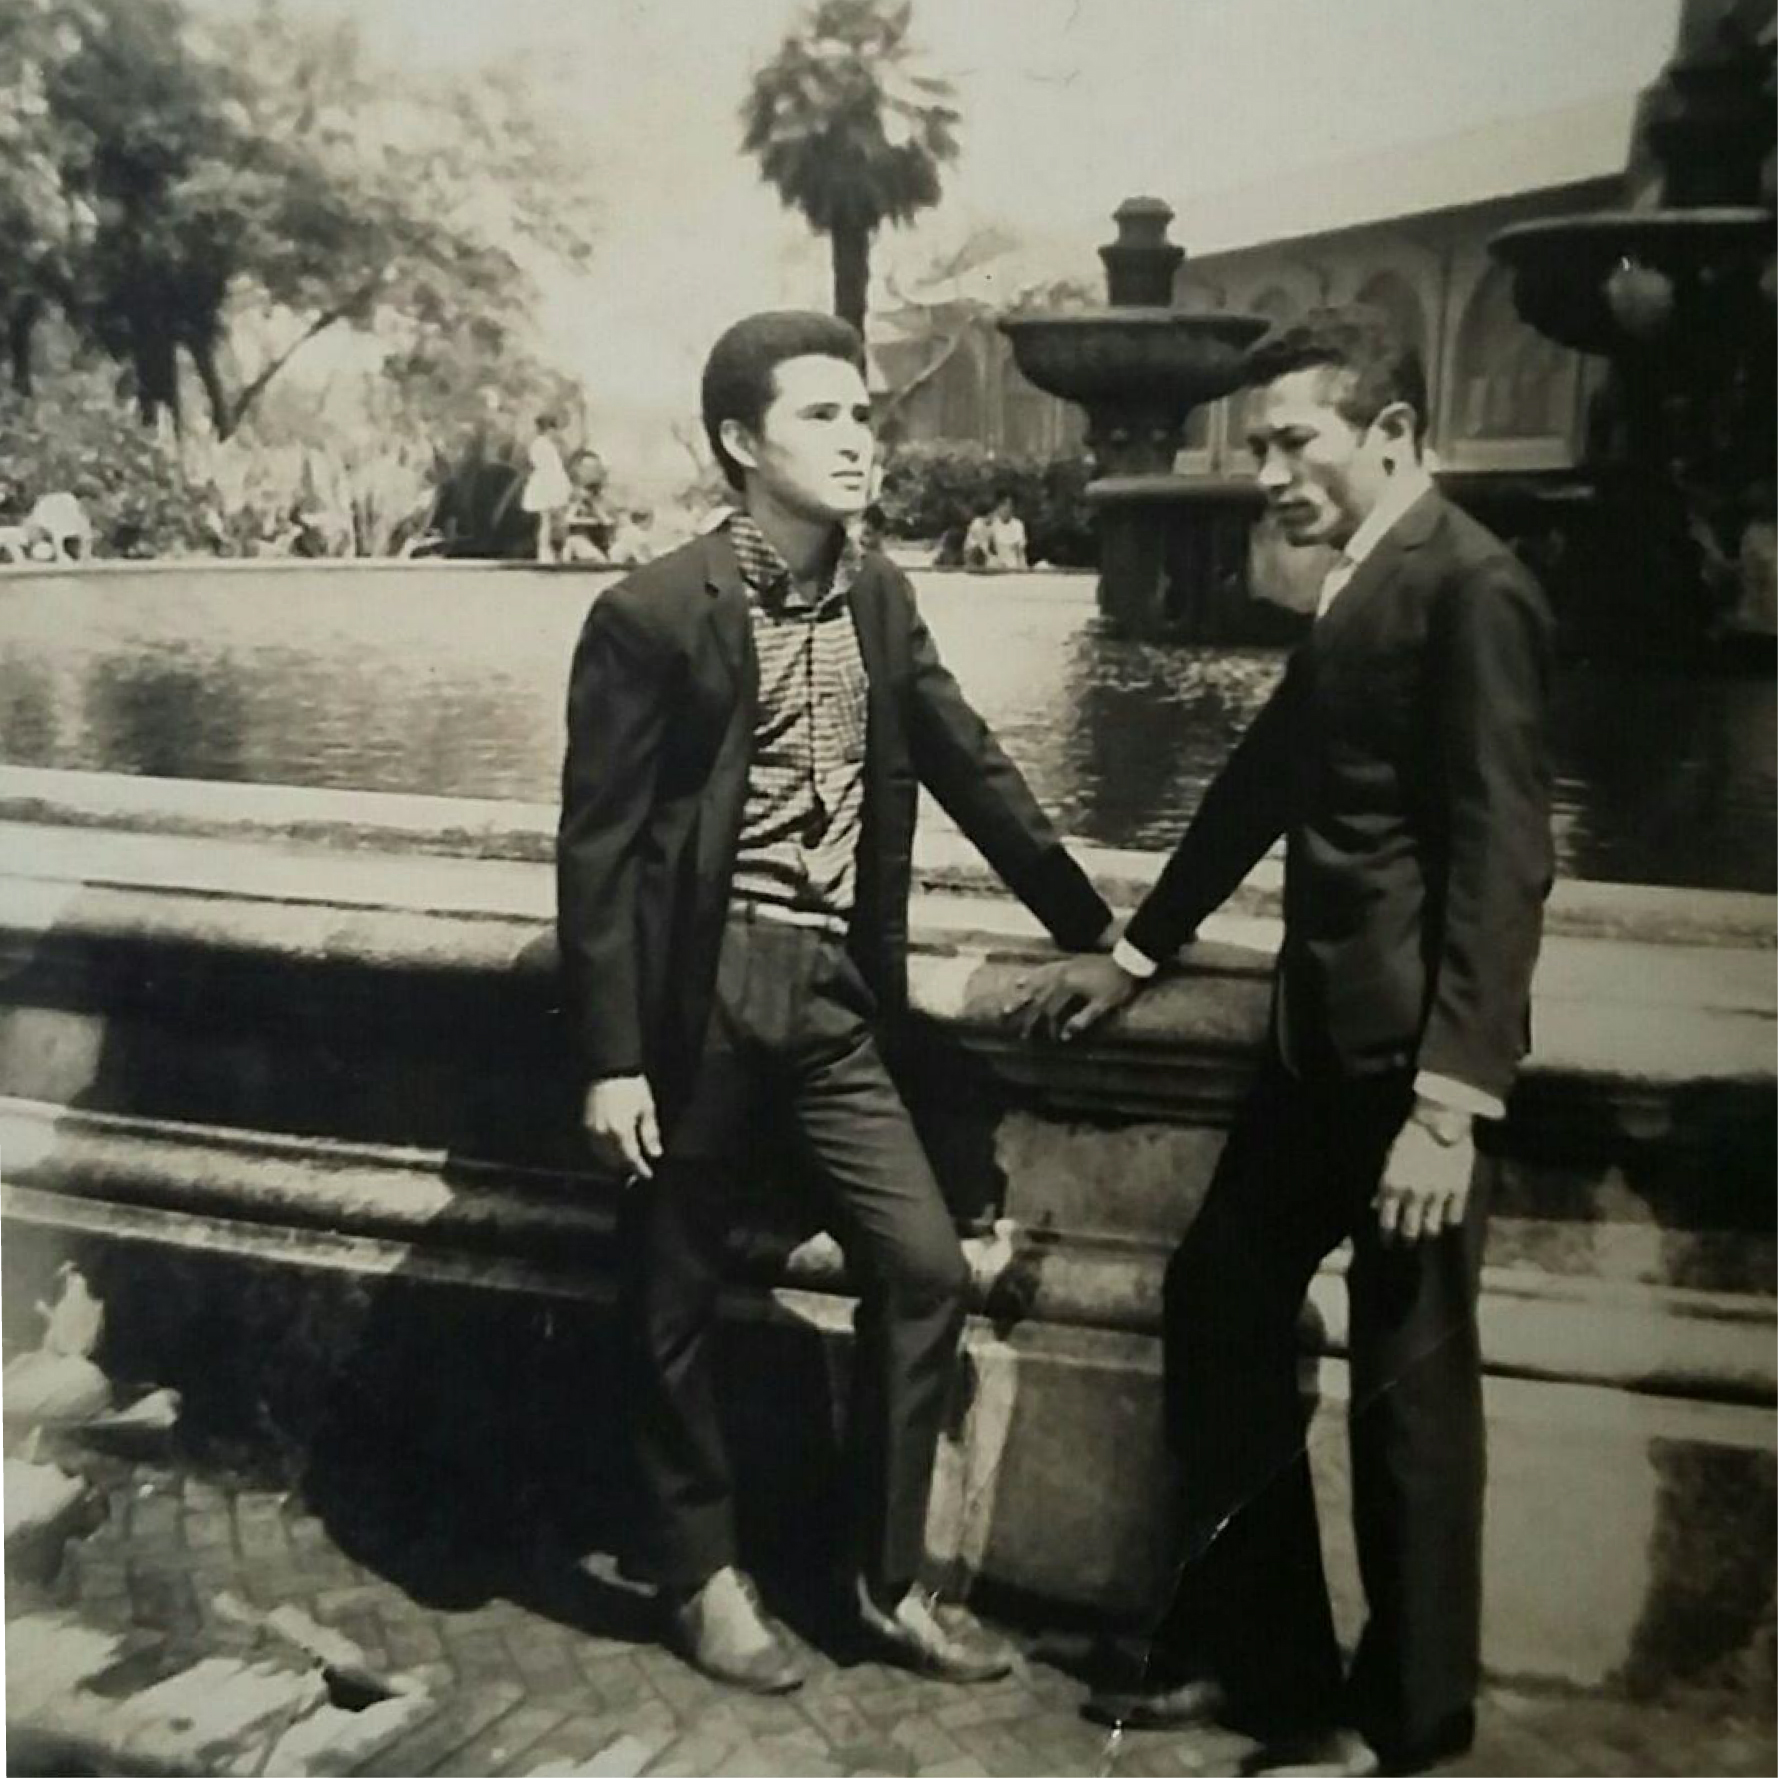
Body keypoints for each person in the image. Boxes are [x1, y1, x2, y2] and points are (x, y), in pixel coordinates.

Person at [1009, 306, 1553, 1777]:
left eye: (1291, 439)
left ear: (1389, 436)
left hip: (1404, 1072)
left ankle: (1406, 1730)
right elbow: (1261, 783)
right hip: (1318, 1048)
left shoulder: (1471, 586)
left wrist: (1451, 1101)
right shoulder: (1363, 578)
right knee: (1218, 1304)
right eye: (1253, 444)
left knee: (1408, 1398)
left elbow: (1506, 854)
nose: (1263, 470)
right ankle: (1275, 1671)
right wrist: (1133, 950)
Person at [557, 310, 1112, 1697]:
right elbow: (600, 852)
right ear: (743, 443)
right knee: (670, 1295)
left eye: (862, 413)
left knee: (923, 1266)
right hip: (700, 994)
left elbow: (969, 763)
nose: (858, 437)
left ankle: (882, 1582)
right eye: (820, 416)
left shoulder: (881, 597)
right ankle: (699, 1577)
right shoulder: (649, 612)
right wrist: (612, 1058)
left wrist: (1103, 931)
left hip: (832, 998)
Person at [522, 413, 573, 562]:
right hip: (547, 484)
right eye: (555, 429)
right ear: (549, 429)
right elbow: (550, 468)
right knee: (546, 521)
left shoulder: (545, 444)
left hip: (550, 482)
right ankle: (545, 552)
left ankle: (553, 551)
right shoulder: (541, 444)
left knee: (551, 521)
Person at [984, 492, 1028, 571]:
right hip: (997, 567)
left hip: (1015, 568)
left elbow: (1020, 551)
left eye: (1009, 505)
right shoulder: (992, 524)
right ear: (998, 507)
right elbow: (985, 549)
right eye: (1004, 505)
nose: (1007, 508)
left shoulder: (1018, 524)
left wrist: (1021, 567)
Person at [961, 501, 995, 570]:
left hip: (981, 553)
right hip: (971, 552)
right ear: (989, 515)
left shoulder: (990, 526)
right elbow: (982, 545)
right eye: (993, 515)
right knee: (978, 550)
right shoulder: (977, 524)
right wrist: (993, 560)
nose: (994, 517)